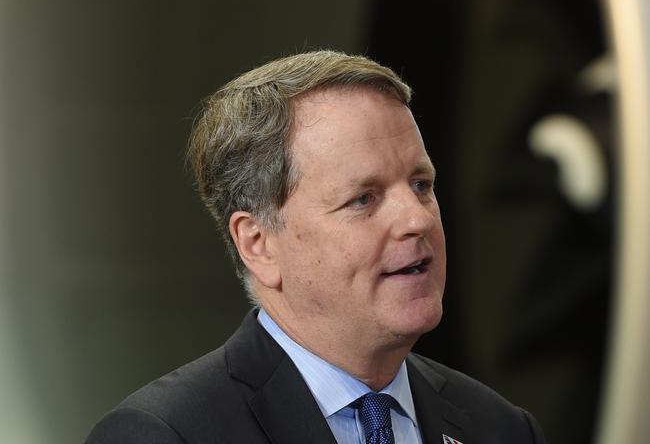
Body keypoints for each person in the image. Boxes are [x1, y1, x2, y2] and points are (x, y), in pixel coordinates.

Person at [85, 50, 546, 443]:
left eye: (422, 184)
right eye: (363, 198)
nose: (417, 218)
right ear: (259, 244)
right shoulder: (167, 433)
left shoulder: (500, 428)